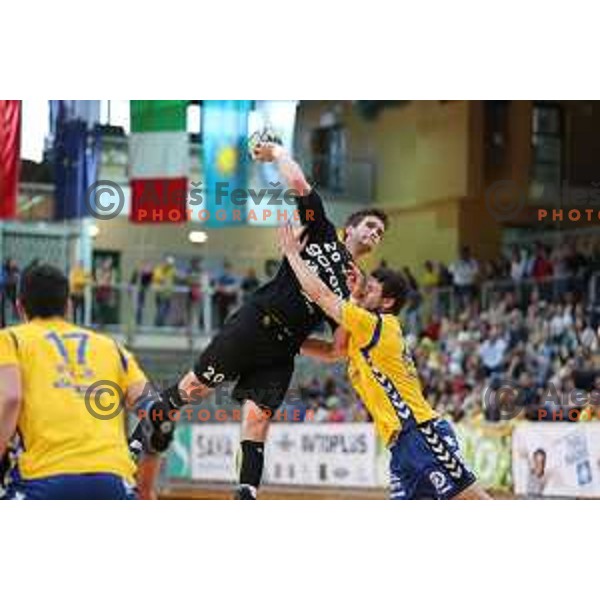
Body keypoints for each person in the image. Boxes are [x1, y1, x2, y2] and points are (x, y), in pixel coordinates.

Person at [137, 139, 388, 499]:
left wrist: (307, 336)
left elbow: (337, 350)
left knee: (257, 420)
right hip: (256, 323)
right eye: (370, 226)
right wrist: (278, 155)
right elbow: (300, 185)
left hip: (282, 350)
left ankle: (246, 494)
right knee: (193, 389)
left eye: (379, 233)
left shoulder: (357, 285)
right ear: (350, 227)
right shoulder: (319, 230)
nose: (374, 234)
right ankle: (146, 430)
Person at [278, 223, 490, 499]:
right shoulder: (367, 332)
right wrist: (287, 341)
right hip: (401, 443)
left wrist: (293, 255)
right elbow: (333, 351)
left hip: (420, 433)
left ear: (387, 302)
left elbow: (323, 297)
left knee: (473, 500)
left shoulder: (376, 325)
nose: (364, 291)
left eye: (371, 290)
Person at [0, 264, 161, 500]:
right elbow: (158, 414)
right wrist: (145, 490)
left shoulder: (11, 340)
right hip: (113, 482)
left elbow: (10, 398)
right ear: (69, 306)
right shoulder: (111, 347)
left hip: (44, 480)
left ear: (19, 307)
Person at [69, 260, 91, 325]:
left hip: (81, 294)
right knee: (74, 311)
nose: (81, 266)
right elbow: (76, 282)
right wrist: (84, 281)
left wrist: (83, 281)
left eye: (82, 264)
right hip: (75, 294)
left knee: (82, 311)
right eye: (79, 264)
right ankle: (74, 324)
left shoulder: (83, 272)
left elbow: (90, 279)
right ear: (76, 265)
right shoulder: (73, 272)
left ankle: (82, 324)